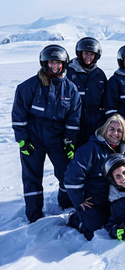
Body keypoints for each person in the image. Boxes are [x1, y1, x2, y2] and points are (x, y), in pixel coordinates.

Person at [11, 44, 82, 223]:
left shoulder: (71, 89)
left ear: (63, 64)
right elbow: (19, 114)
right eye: (51, 62)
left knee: (66, 172)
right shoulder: (29, 86)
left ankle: (66, 205)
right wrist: (22, 140)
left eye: (57, 63)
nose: (54, 66)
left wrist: (69, 141)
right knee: (32, 177)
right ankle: (34, 215)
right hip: (33, 137)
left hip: (58, 137)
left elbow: (73, 119)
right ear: (44, 63)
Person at [64, 114, 125, 241]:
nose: (115, 133)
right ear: (105, 129)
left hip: (115, 198)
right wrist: (79, 200)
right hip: (94, 200)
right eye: (112, 129)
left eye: (119, 130)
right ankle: (76, 219)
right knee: (94, 230)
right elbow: (72, 177)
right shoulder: (90, 149)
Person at [67, 37, 107, 148]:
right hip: (74, 125)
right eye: (85, 53)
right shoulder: (68, 72)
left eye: (91, 54)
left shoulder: (100, 75)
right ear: (80, 53)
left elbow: (106, 100)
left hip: (95, 125)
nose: (88, 57)